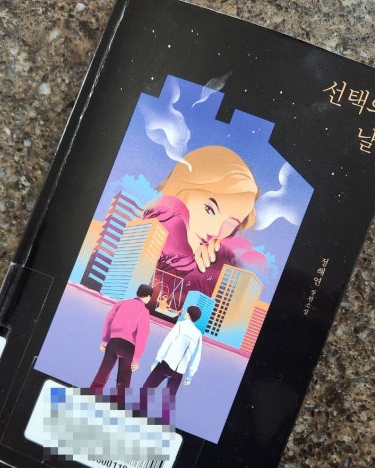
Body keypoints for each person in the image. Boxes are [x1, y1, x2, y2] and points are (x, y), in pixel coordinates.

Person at [143, 145, 268, 302]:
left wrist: (213, 270)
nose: (215, 231)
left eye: (230, 224)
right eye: (209, 209)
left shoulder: (212, 265)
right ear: (183, 189)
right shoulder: (148, 234)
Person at [139, 305, 203, 424]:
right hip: (179, 371)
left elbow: (167, 342)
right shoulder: (198, 335)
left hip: (166, 364)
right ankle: (163, 423)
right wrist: (190, 375)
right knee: (168, 400)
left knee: (147, 389)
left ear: (188, 314)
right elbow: (196, 357)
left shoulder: (180, 325)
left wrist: (157, 360)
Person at [90, 284, 154, 403]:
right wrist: (136, 358)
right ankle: (117, 406)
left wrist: (105, 340)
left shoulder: (121, 303)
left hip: (113, 342)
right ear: (148, 297)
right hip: (129, 348)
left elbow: (109, 321)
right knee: (123, 380)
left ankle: (90, 398)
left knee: (103, 373)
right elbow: (142, 336)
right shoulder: (144, 312)